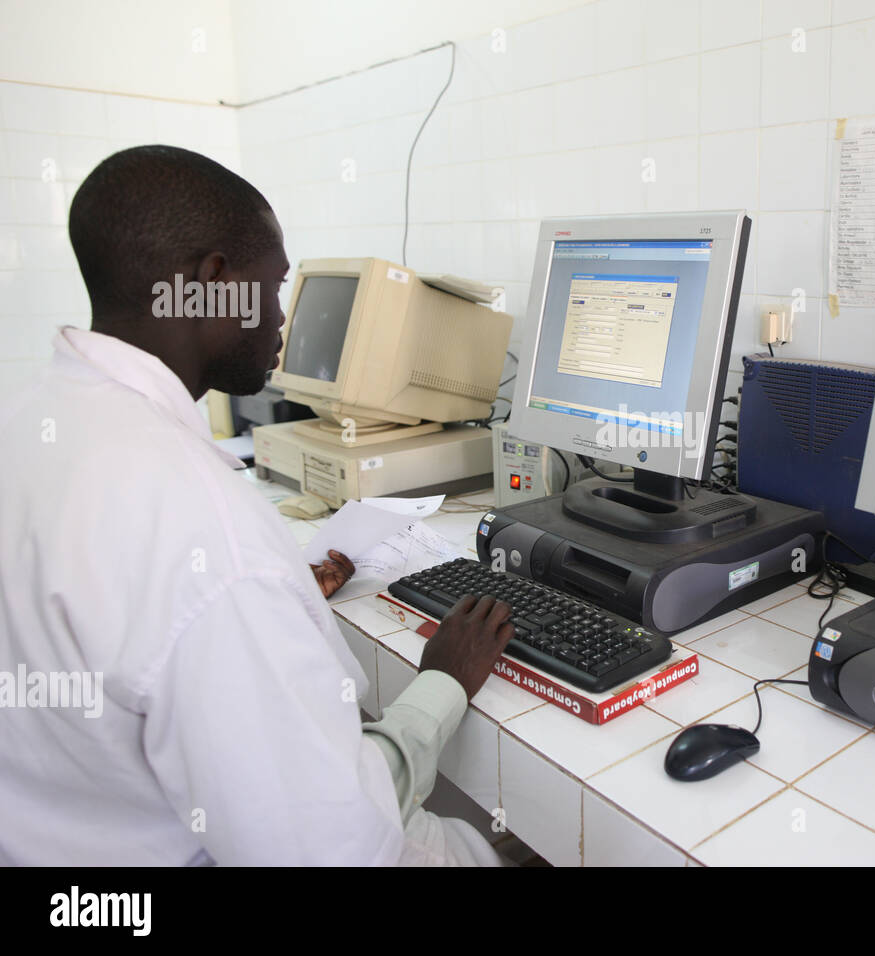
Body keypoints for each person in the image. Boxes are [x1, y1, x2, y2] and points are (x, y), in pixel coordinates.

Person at [0, 145, 515, 866]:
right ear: (213, 284)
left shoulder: (31, 418)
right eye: (273, 288)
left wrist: (265, 613)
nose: (282, 318)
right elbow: (330, 850)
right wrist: (440, 685)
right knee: (476, 844)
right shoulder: (202, 530)